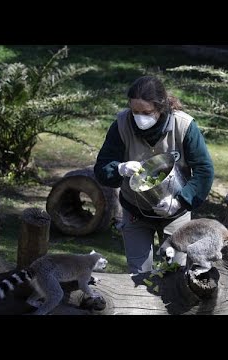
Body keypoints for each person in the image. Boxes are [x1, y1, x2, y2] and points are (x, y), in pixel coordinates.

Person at [94, 75, 214, 274]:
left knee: (177, 274)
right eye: (135, 111)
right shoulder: (121, 124)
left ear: (161, 107)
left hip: (176, 211)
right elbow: (102, 167)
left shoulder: (184, 125)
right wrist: (119, 168)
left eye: (147, 112)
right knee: (138, 275)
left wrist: (181, 200)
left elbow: (204, 170)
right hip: (134, 210)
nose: (140, 117)